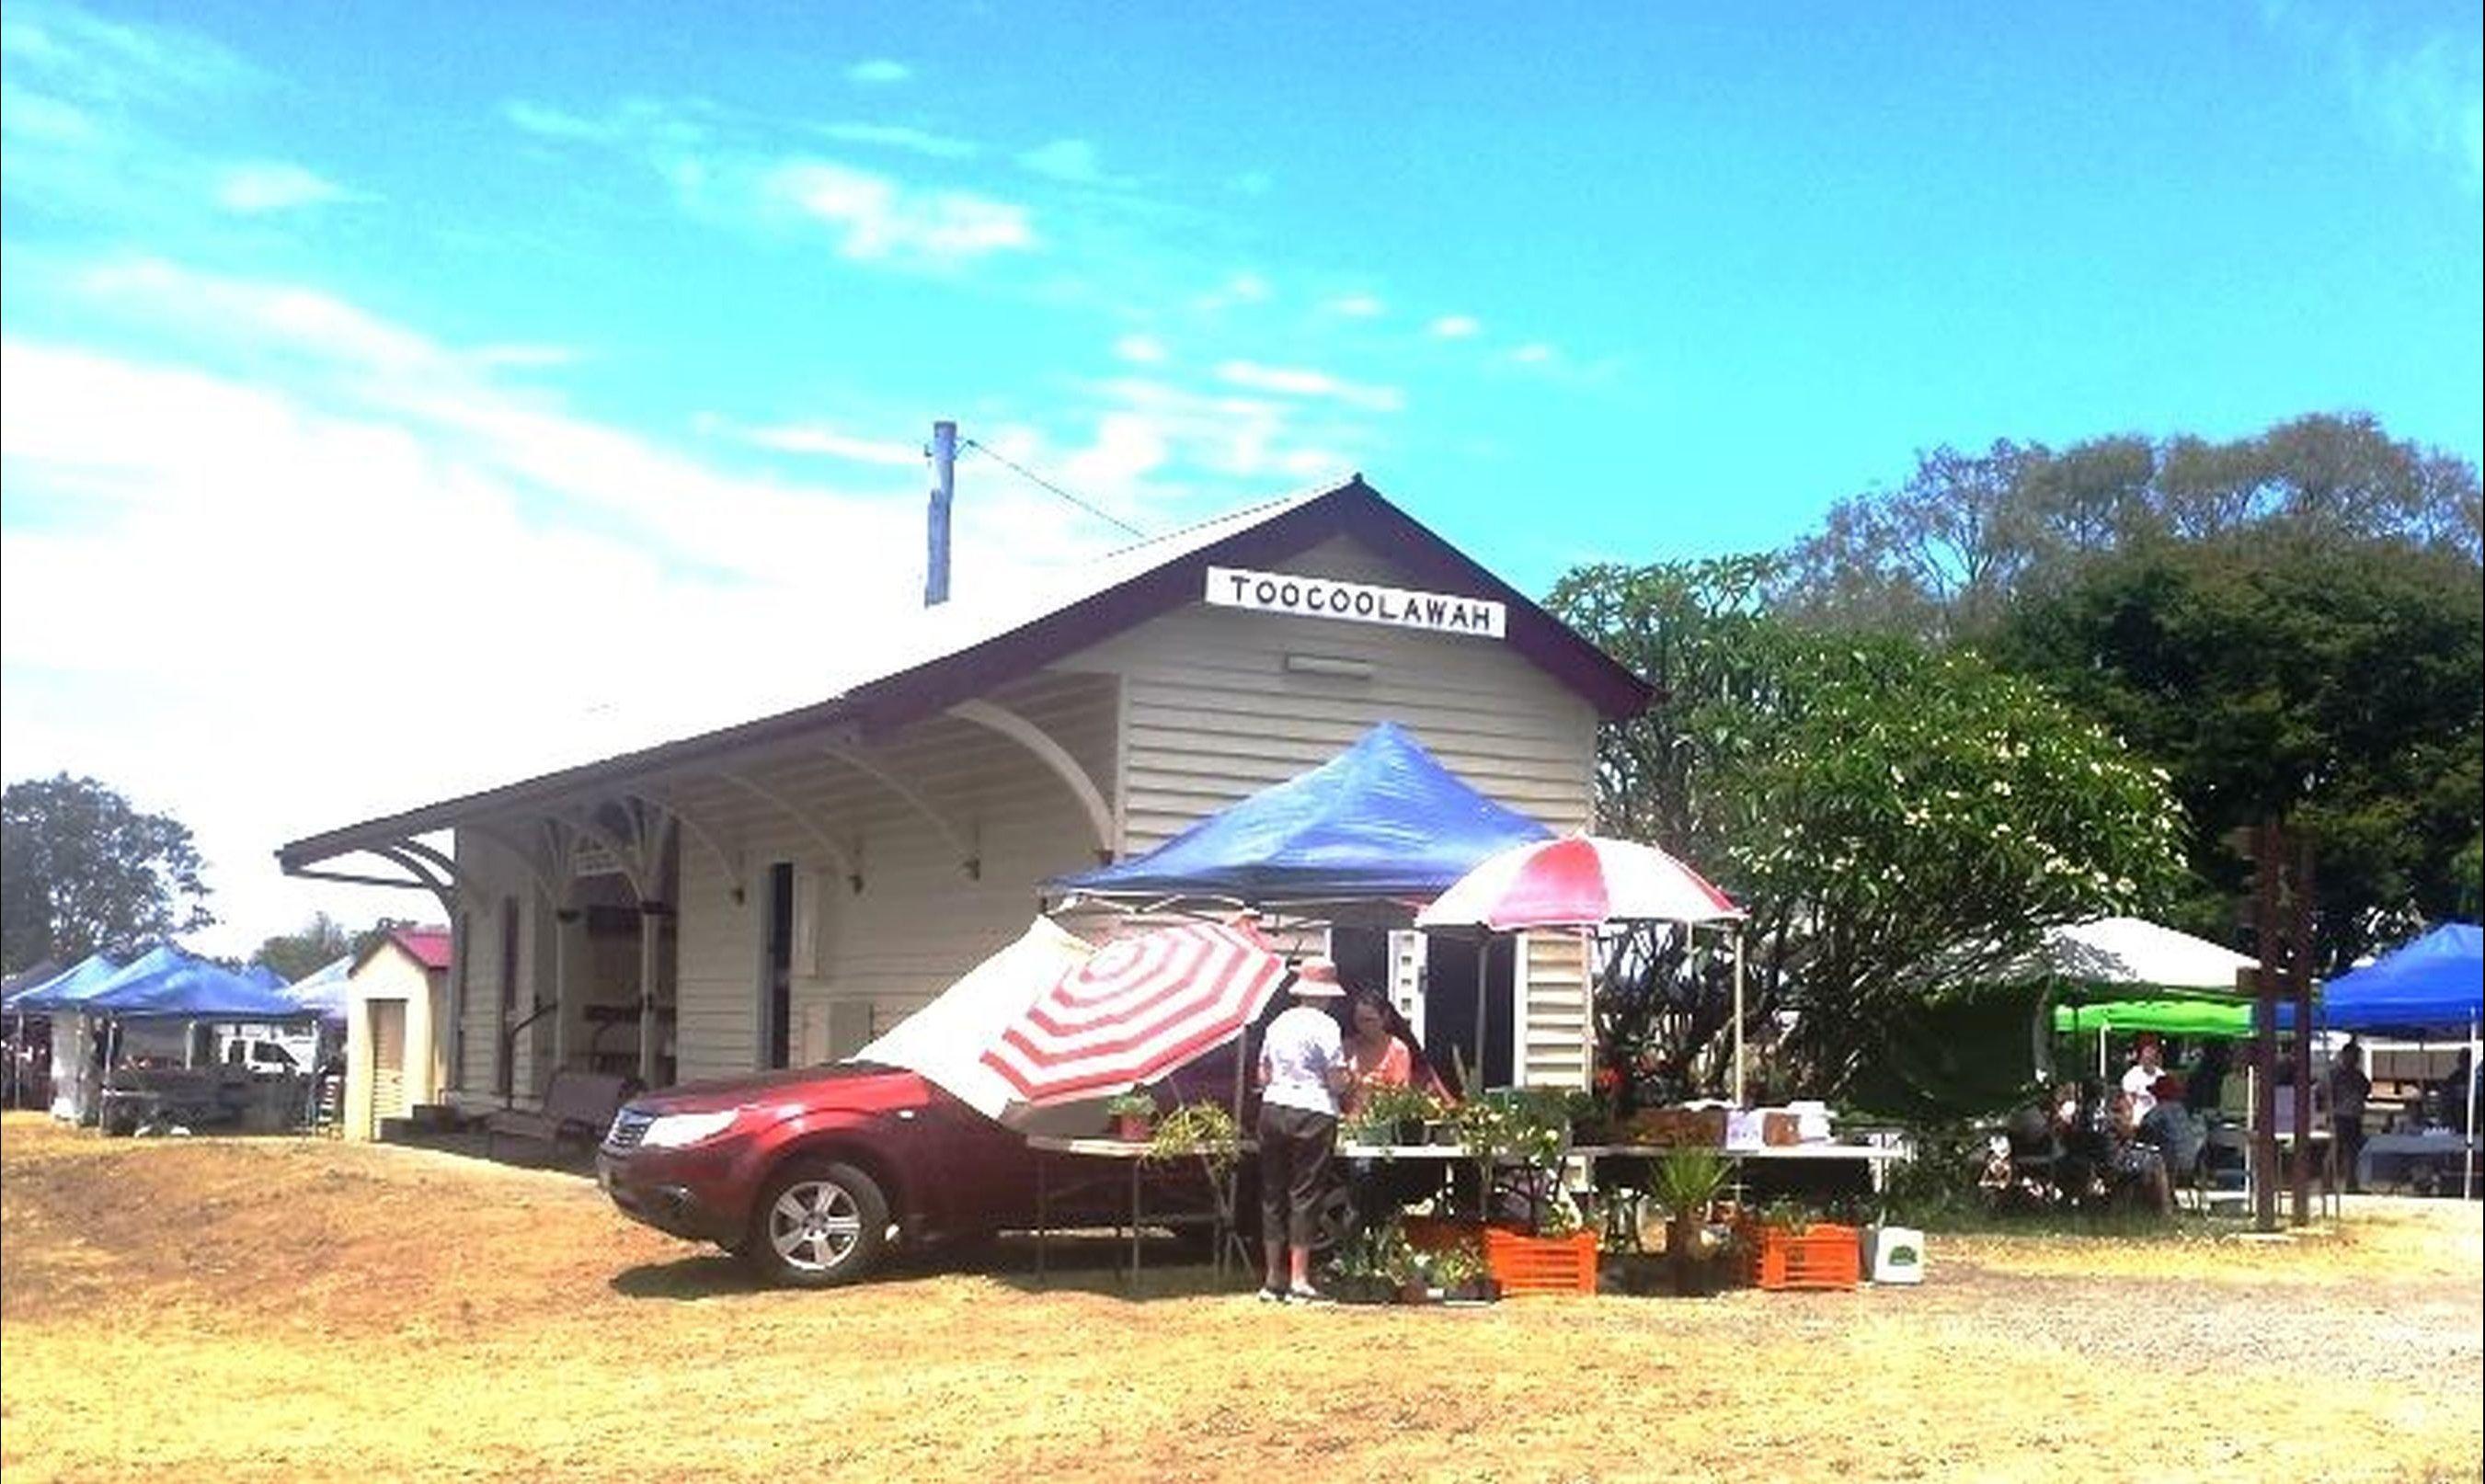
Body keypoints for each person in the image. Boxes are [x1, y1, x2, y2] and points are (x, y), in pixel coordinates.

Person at [1256, 955, 1352, 1303]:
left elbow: (1263, 1074)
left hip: (1273, 1106)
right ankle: (1298, 1278)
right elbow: (1336, 1080)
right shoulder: (1326, 1027)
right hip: (1312, 1110)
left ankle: (1271, 1278)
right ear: (1327, 994)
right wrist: (1349, 1080)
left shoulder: (1278, 1022)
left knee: (1272, 1193)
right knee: (1305, 1194)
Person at [2329, 1036, 2371, 1193]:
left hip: (2354, 1116)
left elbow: (2367, 1089)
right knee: (2335, 1151)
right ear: (2344, 1055)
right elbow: (2324, 1093)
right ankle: (2327, 1184)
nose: (2355, 1060)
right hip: (2339, 1116)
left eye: (2357, 1057)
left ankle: (2351, 1184)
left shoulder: (2358, 1075)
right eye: (2353, 1056)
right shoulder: (2335, 1074)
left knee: (2353, 1152)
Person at [2121, 1033, 2168, 1121]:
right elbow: (2128, 1102)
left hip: (2159, 1119)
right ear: (2141, 1054)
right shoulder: (2131, 1076)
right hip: (2140, 1121)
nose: (2150, 1055)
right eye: (2147, 1051)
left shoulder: (2161, 1075)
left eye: (2153, 1050)